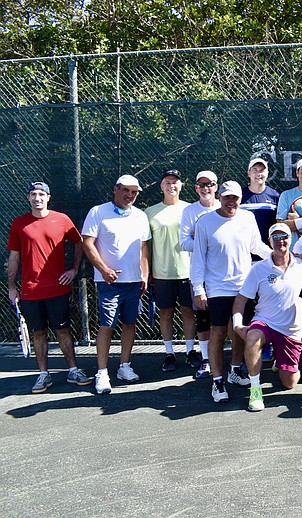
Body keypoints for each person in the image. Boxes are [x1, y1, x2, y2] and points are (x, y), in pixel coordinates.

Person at [190, 180, 271, 402]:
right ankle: (217, 382)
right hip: (217, 288)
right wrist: (198, 287)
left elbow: (257, 247)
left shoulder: (247, 218)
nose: (230, 202)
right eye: (226, 197)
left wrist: (280, 258)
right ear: (220, 198)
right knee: (217, 332)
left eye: (234, 198)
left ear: (240, 199)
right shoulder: (205, 222)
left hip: (244, 287)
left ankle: (235, 370)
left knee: (241, 331)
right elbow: (198, 259)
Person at [7, 181, 89, 393]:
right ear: (28, 198)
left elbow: (79, 243)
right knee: (38, 333)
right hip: (30, 292)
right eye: (33, 194)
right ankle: (43, 375)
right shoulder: (19, 224)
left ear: (48, 197)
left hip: (57, 289)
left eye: (41, 194)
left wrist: (73, 270)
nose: (37, 198)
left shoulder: (62, 220)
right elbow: (14, 256)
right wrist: (12, 287)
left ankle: (73, 370)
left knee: (63, 330)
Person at [231, 223, 302, 411]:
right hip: (265, 322)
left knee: (290, 382)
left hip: (291, 331)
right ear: (269, 241)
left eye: (284, 237)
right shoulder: (259, 269)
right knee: (252, 336)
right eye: (275, 238)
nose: (280, 241)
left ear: (291, 239)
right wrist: (237, 325)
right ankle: (255, 389)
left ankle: (281, 360)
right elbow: (241, 299)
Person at [81, 174, 151, 394]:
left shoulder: (140, 216)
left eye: (134, 192)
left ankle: (124, 366)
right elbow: (87, 243)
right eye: (126, 191)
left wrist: (145, 275)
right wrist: (104, 270)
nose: (130, 195)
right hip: (108, 283)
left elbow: (143, 249)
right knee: (107, 326)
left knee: (130, 324)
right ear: (116, 189)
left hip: (134, 283)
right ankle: (102, 373)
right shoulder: (98, 212)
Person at [145, 169, 196, 372]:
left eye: (175, 182)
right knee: (165, 313)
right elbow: (146, 246)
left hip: (188, 272)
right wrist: (147, 272)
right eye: (167, 182)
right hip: (161, 274)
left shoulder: (190, 209)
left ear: (181, 185)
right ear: (161, 186)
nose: (171, 186)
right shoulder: (150, 212)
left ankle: (191, 351)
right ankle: (169, 353)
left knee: (188, 312)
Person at [179, 170, 219, 379]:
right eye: (201, 185)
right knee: (203, 318)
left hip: (222, 276)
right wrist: (207, 241)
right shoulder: (189, 211)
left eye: (209, 184)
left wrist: (202, 238)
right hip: (200, 274)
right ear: (196, 188)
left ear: (216, 187)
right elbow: (184, 242)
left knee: (226, 320)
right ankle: (205, 360)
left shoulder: (224, 207)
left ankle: (230, 361)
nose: (205, 188)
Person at [241, 157, 280, 247]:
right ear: (248, 173)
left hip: (269, 251)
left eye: (262, 170)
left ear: (267, 174)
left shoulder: (275, 196)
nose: (259, 174)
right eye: (255, 170)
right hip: (245, 251)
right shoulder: (239, 196)